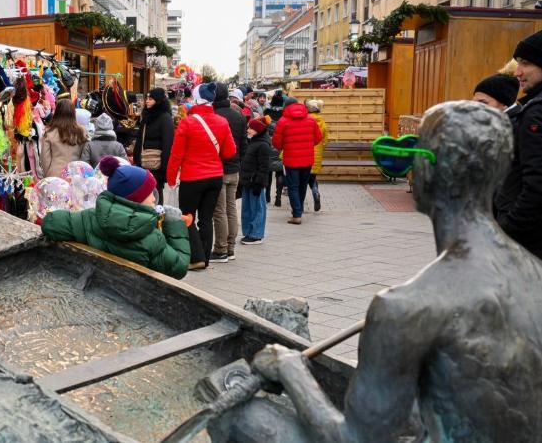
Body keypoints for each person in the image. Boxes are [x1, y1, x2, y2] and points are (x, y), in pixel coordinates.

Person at [209, 100, 542, 443]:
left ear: (426, 171)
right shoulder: (534, 269)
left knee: (241, 418)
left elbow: (354, 440)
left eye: (412, 150)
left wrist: (290, 370)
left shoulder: (405, 308)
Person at [41, 156, 191, 279]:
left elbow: (50, 224)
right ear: (135, 199)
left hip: (96, 284)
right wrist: (174, 224)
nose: (153, 198)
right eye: (149, 193)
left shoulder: (89, 218)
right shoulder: (152, 238)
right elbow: (179, 268)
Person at [168, 83, 237, 270]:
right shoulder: (222, 122)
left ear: (196, 99)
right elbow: (230, 151)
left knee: (187, 216)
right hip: (215, 177)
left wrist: (171, 178)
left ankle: (196, 257)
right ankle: (205, 258)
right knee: (206, 219)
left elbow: (176, 154)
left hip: (192, 177)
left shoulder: (187, 122)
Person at [494, 29, 542, 259]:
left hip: (528, 241)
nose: (517, 72)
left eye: (525, 63)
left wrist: (508, 229)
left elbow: (536, 183)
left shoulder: (535, 112)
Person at [209, 83, 247, 263]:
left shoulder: (214, 116)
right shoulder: (238, 115)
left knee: (219, 211)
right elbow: (244, 145)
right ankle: (230, 248)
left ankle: (220, 249)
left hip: (219, 169)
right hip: (234, 169)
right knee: (231, 209)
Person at [272, 96, 322, 224]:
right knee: (302, 185)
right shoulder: (311, 120)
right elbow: (318, 138)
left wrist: (286, 146)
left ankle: (297, 214)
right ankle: (299, 209)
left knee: (293, 186)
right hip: (307, 159)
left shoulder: (283, 121)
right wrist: (307, 145)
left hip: (291, 160)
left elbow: (277, 143)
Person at [134, 87, 175, 204]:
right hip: (144, 163)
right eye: (147, 98)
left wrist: (164, 168)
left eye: (150, 99)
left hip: (157, 166)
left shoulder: (165, 118)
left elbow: (168, 144)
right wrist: (137, 160)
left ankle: (158, 214)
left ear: (158, 101)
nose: (147, 101)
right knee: (144, 194)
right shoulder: (147, 116)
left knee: (156, 193)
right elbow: (140, 140)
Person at [239, 118, 275, 245]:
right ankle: (249, 232)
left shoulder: (263, 145)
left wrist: (259, 184)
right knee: (248, 209)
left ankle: (256, 234)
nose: (248, 130)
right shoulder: (253, 141)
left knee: (257, 209)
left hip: (255, 183)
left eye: (250, 128)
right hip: (248, 181)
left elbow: (264, 167)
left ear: (258, 130)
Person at [40, 99, 89, 178]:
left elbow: (45, 159)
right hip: (76, 174)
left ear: (57, 113)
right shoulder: (82, 131)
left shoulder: (49, 132)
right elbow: (85, 156)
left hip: (55, 174)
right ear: (73, 113)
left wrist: (48, 175)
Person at [306, 99, 329, 212]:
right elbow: (325, 141)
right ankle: (315, 192)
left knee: (303, 179)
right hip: (317, 155)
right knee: (313, 177)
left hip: (306, 154)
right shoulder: (322, 122)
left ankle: (299, 205)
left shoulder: (306, 120)